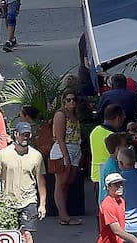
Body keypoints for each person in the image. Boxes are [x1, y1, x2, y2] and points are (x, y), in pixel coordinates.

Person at [0, 121, 46, 243]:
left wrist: (42, 204)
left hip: (29, 201)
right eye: (22, 134)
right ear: (16, 134)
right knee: (11, 236)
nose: (25, 137)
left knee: (27, 234)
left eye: (27, 134)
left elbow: (40, 181)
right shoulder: (3, 154)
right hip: (8, 201)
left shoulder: (36, 156)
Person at [50, 90, 84, 225]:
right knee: (61, 183)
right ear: (63, 101)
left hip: (75, 147)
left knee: (67, 183)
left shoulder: (74, 115)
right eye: (68, 99)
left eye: (74, 99)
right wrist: (66, 157)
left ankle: (63, 215)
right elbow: (60, 138)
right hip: (63, 149)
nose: (72, 102)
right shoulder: (60, 114)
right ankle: (64, 216)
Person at [98, 173, 137, 243]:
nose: (120, 187)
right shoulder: (107, 205)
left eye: (121, 184)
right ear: (108, 187)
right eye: (116, 185)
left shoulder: (121, 201)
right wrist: (136, 241)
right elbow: (117, 230)